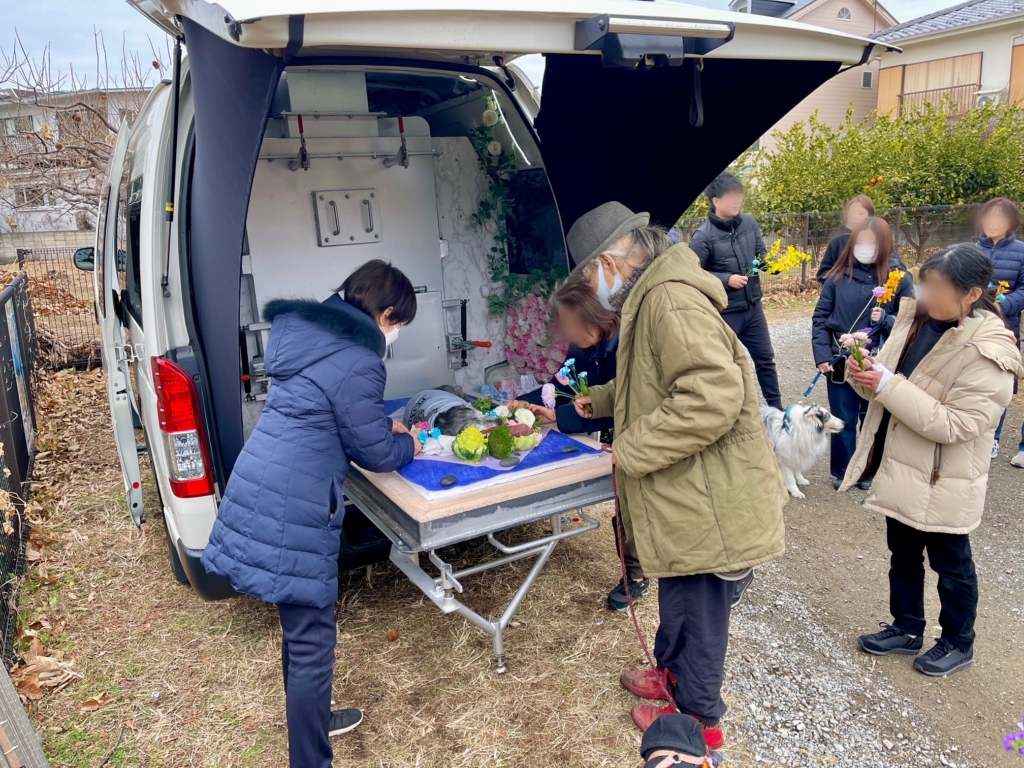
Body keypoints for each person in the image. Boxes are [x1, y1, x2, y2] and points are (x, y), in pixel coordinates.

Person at [566, 201, 787, 748]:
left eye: (590, 275)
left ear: (613, 262)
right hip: (689, 487)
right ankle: (671, 676)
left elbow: (710, 397)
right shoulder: (653, 295)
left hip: (708, 493)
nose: (593, 288)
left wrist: (629, 448)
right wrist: (594, 403)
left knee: (701, 607)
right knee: (680, 595)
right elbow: (652, 382)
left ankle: (698, 722)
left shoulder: (668, 299)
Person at [201, 260, 420, 768]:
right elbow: (378, 455)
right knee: (310, 643)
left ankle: (314, 721)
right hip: (294, 502)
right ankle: (310, 758)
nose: (395, 334)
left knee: (299, 631)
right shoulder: (359, 359)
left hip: (263, 479)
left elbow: (330, 414)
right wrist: (408, 442)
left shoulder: (306, 335)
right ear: (385, 313)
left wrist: (375, 426)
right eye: (398, 323)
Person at [842, 244, 1023, 677]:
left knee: (951, 564)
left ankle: (959, 642)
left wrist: (886, 384)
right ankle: (906, 628)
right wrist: (864, 375)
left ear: (973, 294)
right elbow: (887, 391)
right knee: (901, 554)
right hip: (903, 464)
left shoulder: (991, 351)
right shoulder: (919, 320)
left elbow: (956, 425)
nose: (925, 292)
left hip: (946, 476)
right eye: (926, 282)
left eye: (938, 286)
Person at [512, 281, 651, 612]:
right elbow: (563, 388)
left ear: (597, 317)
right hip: (616, 429)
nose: (566, 331)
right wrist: (529, 404)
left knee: (640, 505)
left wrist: (561, 417)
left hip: (642, 429)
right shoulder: (582, 346)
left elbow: (619, 407)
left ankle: (643, 574)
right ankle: (634, 573)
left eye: (571, 323)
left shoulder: (632, 347)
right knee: (626, 506)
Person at [812, 217, 914, 489]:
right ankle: (843, 470)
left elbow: (911, 323)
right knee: (843, 415)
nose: (865, 247)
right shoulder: (837, 277)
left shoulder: (898, 279)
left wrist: (885, 320)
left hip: (878, 359)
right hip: (840, 358)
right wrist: (822, 355)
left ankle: (868, 469)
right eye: (860, 241)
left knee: (873, 417)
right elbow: (821, 317)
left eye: (871, 242)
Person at [690, 172, 783, 410]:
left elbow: (760, 255)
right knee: (725, 366)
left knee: (766, 360)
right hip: (725, 312)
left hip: (753, 307)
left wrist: (773, 266)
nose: (736, 201)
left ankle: (777, 410)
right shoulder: (703, 237)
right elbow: (692, 274)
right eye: (730, 196)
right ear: (716, 201)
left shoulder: (749, 223)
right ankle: (729, 412)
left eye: (738, 195)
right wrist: (725, 279)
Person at [975, 197, 1024, 464]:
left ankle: (993, 438)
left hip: (1005, 326)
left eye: (999, 218)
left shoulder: (1021, 251)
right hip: (972, 324)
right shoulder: (972, 249)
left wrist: (1005, 303)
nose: (992, 223)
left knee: (999, 381)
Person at [816, 195, 875, 283]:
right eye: (851, 212)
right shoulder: (837, 242)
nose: (855, 217)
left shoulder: (881, 240)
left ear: (870, 215)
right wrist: (841, 286)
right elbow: (823, 274)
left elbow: (896, 270)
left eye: (861, 213)